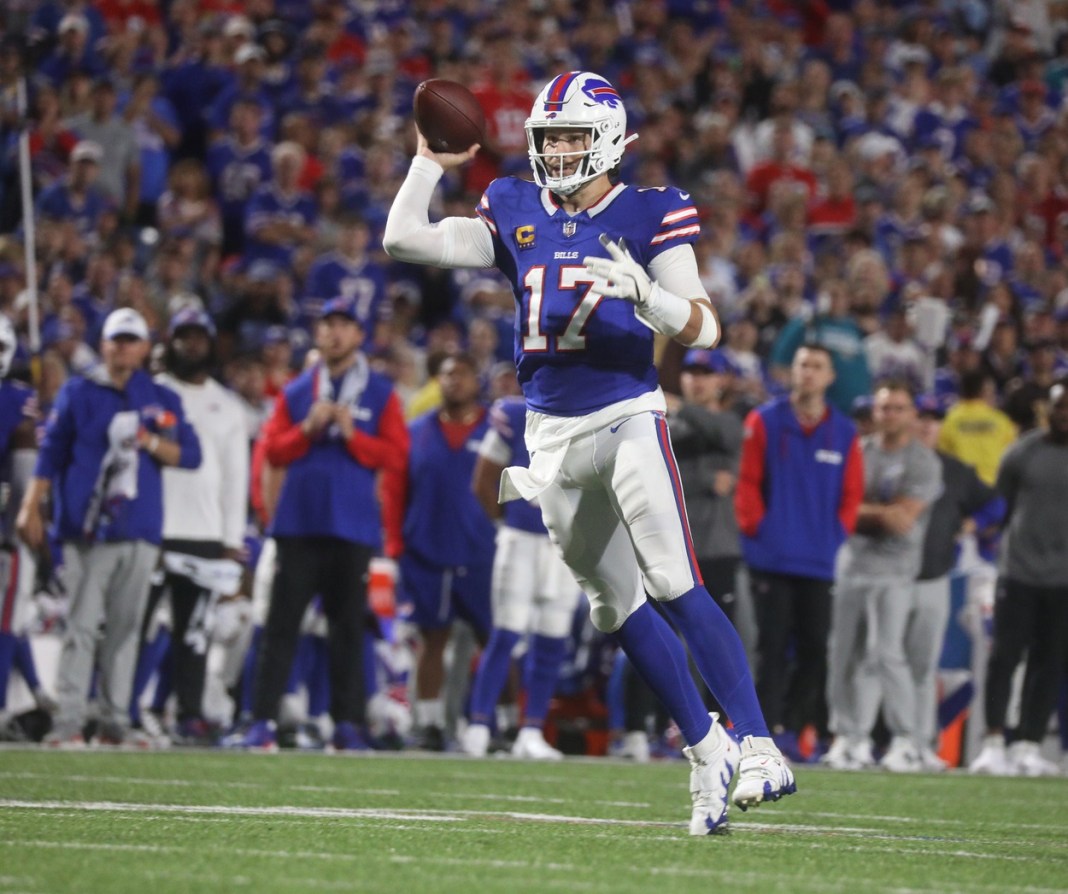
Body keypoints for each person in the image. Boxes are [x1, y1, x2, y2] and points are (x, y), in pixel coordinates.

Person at [384, 69, 794, 833]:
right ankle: (707, 751)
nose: (559, 149)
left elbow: (706, 327)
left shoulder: (650, 211)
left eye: (572, 135)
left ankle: (761, 743)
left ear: (607, 137)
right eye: (550, 137)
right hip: (549, 437)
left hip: (628, 412)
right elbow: (403, 237)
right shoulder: (515, 206)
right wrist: (428, 163)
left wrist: (647, 295)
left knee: (673, 577)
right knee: (614, 606)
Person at [227, 297, 408, 751]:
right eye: (326, 325)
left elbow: (395, 456)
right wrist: (306, 428)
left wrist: (354, 437)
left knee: (348, 631)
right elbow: (273, 452)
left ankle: (346, 725)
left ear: (359, 336)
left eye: (343, 325)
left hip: (353, 527)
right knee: (280, 628)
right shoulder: (295, 391)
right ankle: (262, 721)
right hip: (299, 524)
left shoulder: (381, 393)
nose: (333, 333)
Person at [17, 308, 202, 747]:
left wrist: (151, 442)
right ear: (103, 345)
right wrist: (31, 505)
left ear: (143, 347)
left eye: (131, 340)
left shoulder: (159, 396)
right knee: (80, 627)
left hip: (140, 527)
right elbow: (52, 452)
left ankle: (116, 719)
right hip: (86, 528)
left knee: (126, 628)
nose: (122, 348)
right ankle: (68, 723)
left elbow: (191, 456)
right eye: (116, 340)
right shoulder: (78, 392)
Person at [735, 344, 864, 760]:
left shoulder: (844, 432)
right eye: (802, 365)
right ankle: (762, 733)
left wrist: (834, 536)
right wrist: (759, 529)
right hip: (770, 558)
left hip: (818, 560)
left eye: (817, 367)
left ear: (829, 378)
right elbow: (747, 483)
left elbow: (852, 494)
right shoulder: (764, 421)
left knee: (813, 649)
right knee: (769, 647)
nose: (808, 373)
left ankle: (792, 729)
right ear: (792, 371)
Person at [138, 307, 249, 744]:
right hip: (154, 525)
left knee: (195, 635)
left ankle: (189, 714)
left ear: (210, 343)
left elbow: (236, 478)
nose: (191, 345)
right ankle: (123, 709)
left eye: (198, 337)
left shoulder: (229, 406)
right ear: (171, 341)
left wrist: (231, 543)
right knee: (139, 626)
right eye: (183, 337)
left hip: (205, 533)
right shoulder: (151, 392)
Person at [823, 381, 941, 771]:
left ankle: (907, 738)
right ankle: (848, 737)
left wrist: (862, 511)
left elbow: (903, 518)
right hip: (852, 564)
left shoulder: (922, 460)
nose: (889, 415)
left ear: (910, 414)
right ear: (874, 411)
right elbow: (839, 508)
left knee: (886, 654)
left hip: (895, 570)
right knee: (843, 654)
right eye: (884, 408)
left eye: (898, 408)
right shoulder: (857, 452)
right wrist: (878, 512)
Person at [464, 392, 581, 760]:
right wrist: (506, 525)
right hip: (522, 537)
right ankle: (479, 725)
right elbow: (483, 480)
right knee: (506, 632)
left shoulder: (594, 411)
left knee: (552, 639)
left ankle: (531, 731)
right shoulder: (515, 413)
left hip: (565, 542)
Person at [397, 352, 496, 751]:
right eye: (446, 375)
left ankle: (499, 724)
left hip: (482, 549)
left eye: (462, 373)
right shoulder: (416, 430)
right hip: (427, 548)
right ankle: (430, 723)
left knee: (494, 638)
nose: (453, 381)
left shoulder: (498, 428)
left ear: (477, 380)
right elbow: (397, 489)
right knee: (431, 638)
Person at [969, 381, 1068, 777]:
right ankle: (993, 743)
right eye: (1061, 407)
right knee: (1004, 659)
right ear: (1048, 409)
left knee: (1050, 661)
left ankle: (1028, 744)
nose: (1065, 414)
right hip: (1019, 572)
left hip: (1063, 580)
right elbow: (998, 509)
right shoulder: (1022, 452)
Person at [912, 395, 1000, 770]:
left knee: (923, 664)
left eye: (936, 419)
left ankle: (918, 741)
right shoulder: (891, 458)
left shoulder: (956, 470)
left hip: (935, 576)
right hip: (883, 573)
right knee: (875, 661)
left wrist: (972, 524)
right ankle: (862, 739)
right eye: (923, 418)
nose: (929, 425)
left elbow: (995, 504)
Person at [0, 316, 45, 727]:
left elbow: (27, 464)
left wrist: (22, 515)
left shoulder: (16, 398)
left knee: (6, 618)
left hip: (3, 529)